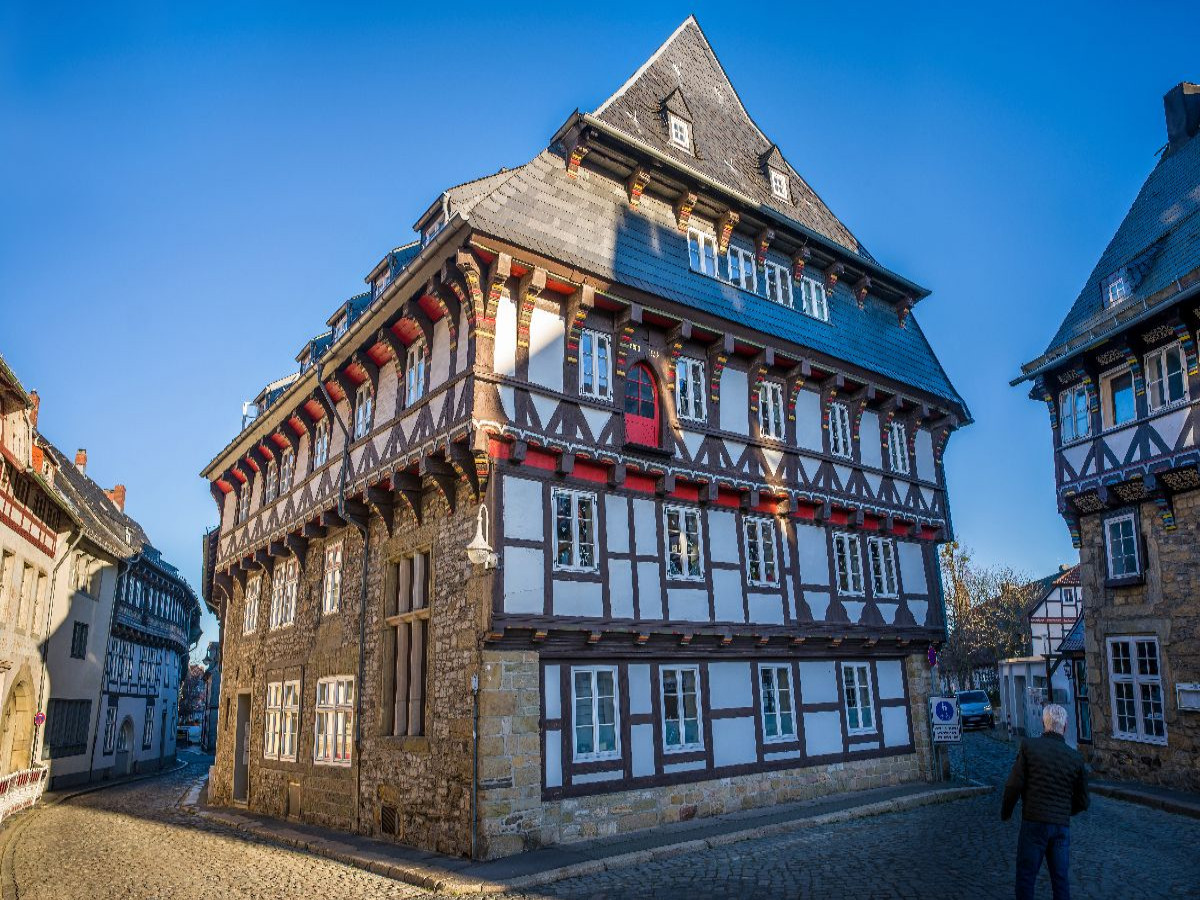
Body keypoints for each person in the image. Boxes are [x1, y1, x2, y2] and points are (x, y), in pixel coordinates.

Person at [1001, 703, 1089, 900]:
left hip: (1034, 821)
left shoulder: (1029, 747)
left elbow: (1014, 785)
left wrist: (1006, 812)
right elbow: (1083, 800)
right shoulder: (1075, 757)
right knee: (1060, 879)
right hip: (1060, 826)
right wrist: (1065, 810)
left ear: (1043, 723)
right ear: (1065, 726)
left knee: (1026, 876)